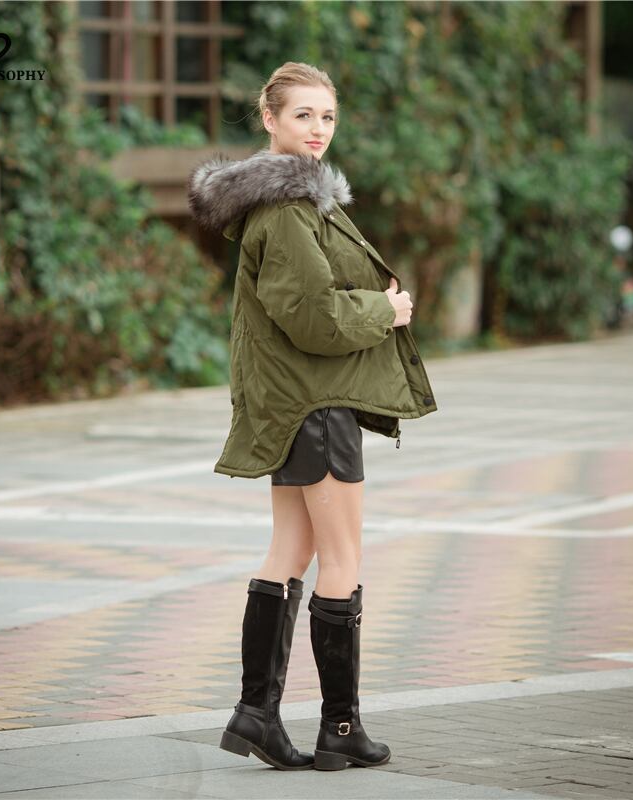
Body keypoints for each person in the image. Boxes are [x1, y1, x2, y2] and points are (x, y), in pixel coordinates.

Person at [187, 62, 437, 771]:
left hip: (295, 400)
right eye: (303, 115)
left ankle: (256, 715)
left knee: (290, 553)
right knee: (343, 558)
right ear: (269, 119)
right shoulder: (289, 210)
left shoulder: (291, 204)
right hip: (315, 404)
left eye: (327, 116)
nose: (318, 129)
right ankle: (340, 727)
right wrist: (385, 308)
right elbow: (314, 317)